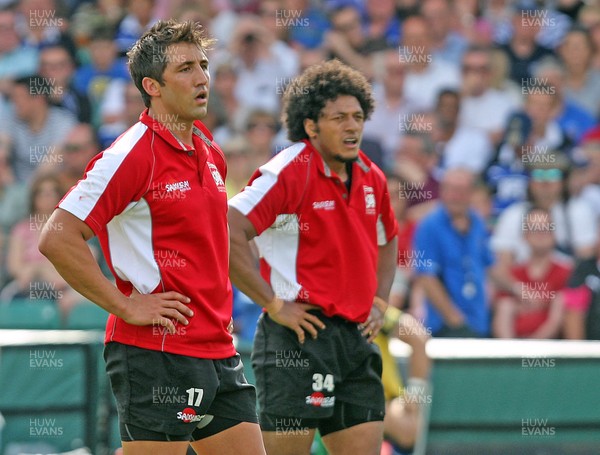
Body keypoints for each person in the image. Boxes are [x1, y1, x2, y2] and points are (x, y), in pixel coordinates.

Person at [39, 20, 265, 455]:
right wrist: (125, 304)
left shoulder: (209, 149)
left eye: (203, 65)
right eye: (185, 69)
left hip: (218, 348)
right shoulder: (130, 154)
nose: (202, 78)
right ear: (152, 86)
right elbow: (57, 236)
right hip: (157, 352)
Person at [228, 59, 399, 455]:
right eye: (339, 117)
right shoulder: (287, 172)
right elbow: (228, 229)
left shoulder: (373, 176)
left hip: (356, 339)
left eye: (358, 116)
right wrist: (272, 304)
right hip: (298, 338)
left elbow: (387, 239)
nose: (352, 126)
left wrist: (381, 298)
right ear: (311, 126)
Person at [492, 207, 572, 339]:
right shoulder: (512, 275)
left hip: (551, 352)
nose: (540, 233)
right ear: (525, 235)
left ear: (554, 234)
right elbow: (502, 315)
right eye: (534, 228)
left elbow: (558, 319)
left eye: (545, 228)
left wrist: (530, 350)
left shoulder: (567, 273)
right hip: (512, 350)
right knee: (505, 307)